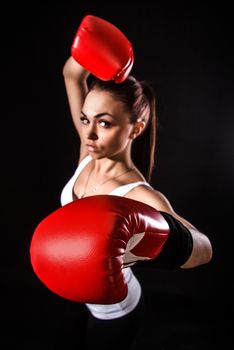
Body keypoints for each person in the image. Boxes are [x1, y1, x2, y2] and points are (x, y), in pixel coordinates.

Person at [58, 15, 213, 349]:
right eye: (85, 119)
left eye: (105, 122)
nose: (89, 132)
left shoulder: (137, 194)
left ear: (136, 128)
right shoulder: (90, 151)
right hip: (71, 288)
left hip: (114, 310)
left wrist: (152, 242)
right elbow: (73, 74)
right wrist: (99, 54)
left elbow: (204, 249)